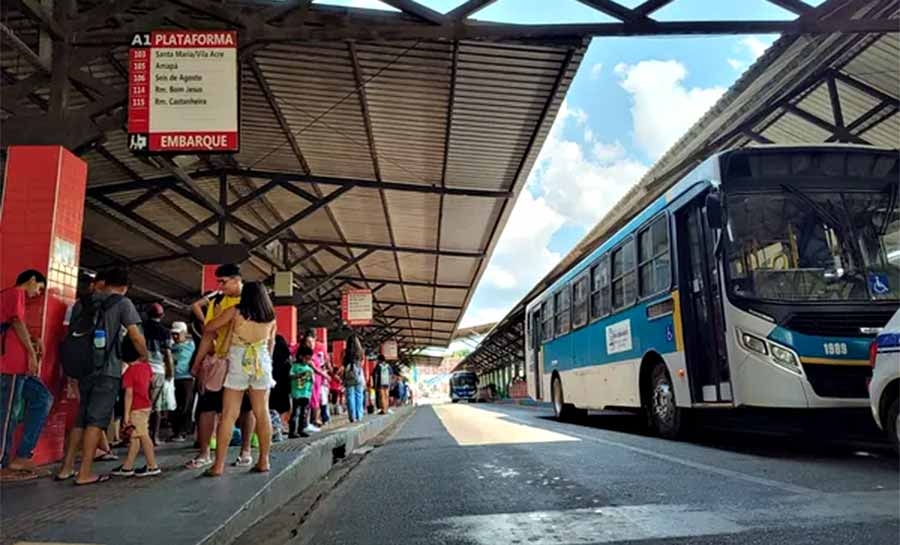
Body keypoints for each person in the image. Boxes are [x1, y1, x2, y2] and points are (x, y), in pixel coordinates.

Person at [57, 267, 147, 485]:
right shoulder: (123, 303)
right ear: (124, 287)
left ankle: (66, 468)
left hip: (83, 368)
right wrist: (144, 355)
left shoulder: (82, 302)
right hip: (107, 371)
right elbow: (135, 336)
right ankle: (85, 473)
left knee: (81, 418)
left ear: (104, 282)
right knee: (96, 421)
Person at [203, 281, 276, 476]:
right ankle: (264, 460)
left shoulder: (235, 311)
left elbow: (209, 326)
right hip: (261, 362)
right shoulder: (271, 316)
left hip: (238, 360)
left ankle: (218, 465)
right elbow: (271, 345)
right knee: (262, 412)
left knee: (229, 414)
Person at [186, 264, 251, 470]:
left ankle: (246, 451)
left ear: (236, 279)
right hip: (219, 363)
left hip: (243, 362)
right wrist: (197, 363)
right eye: (219, 282)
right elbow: (208, 335)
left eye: (223, 282)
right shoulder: (217, 302)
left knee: (246, 408)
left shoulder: (250, 301)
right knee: (207, 407)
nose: (220, 286)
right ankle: (205, 453)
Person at [0, 270, 52, 481]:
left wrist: (32, 340)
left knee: (43, 398)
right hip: (8, 366)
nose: (37, 293)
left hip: (19, 368)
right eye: (38, 288)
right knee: (7, 415)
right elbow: (16, 322)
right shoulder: (14, 293)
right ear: (31, 280)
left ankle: (22, 456)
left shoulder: (15, 298)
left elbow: (16, 325)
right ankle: (2, 464)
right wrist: (31, 351)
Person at [111, 340, 160, 477]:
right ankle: (127, 466)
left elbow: (129, 394)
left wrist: (126, 415)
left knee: (143, 436)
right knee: (135, 437)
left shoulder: (129, 372)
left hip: (136, 408)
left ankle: (152, 465)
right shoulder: (147, 367)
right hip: (146, 406)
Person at [144, 303, 173, 444]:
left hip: (140, 369)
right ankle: (153, 437)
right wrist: (170, 372)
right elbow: (167, 353)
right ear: (162, 316)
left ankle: (137, 435)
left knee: (139, 404)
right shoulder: (164, 332)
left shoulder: (139, 328)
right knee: (155, 406)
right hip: (157, 371)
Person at [169, 321, 195, 442]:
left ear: (184, 333)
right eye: (173, 334)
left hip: (187, 378)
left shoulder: (191, 345)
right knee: (175, 406)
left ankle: (183, 431)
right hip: (173, 379)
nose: (175, 337)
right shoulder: (171, 347)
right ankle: (177, 431)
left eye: (177, 334)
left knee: (185, 405)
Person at [289, 344, 314, 438]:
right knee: (295, 412)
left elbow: (312, 381)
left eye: (309, 359)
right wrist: (299, 375)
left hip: (306, 393)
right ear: (300, 357)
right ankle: (292, 431)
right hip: (297, 393)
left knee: (304, 413)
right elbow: (291, 376)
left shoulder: (309, 369)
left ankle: (301, 429)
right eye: (306, 359)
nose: (308, 361)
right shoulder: (295, 366)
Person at [342, 335, 366, 423]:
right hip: (358, 374)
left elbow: (343, 364)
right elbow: (362, 364)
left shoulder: (345, 352)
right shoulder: (360, 352)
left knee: (350, 396)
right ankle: (359, 415)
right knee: (359, 395)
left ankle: (352, 417)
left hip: (349, 375)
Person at [269, 335, 292, 424]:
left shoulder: (269, 361)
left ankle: (273, 425)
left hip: (271, 387)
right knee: (282, 408)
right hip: (283, 388)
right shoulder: (286, 362)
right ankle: (280, 425)